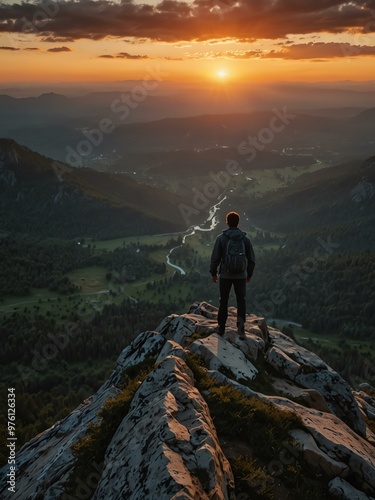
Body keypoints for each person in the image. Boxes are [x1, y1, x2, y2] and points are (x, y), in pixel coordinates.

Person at [210, 211, 255, 339]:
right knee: (241, 301)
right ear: (238, 223)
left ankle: (221, 328)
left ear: (227, 222)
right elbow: (252, 259)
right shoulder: (245, 239)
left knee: (223, 301)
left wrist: (213, 273)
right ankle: (241, 329)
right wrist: (249, 274)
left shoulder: (221, 238)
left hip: (225, 275)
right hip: (241, 276)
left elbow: (215, 258)